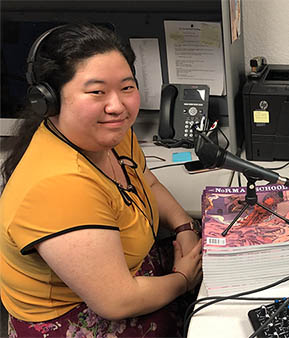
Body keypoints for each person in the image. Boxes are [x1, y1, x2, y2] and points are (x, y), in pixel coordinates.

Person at [0, 23, 204, 337]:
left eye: (127, 87)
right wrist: (184, 279)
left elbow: (145, 181)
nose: (117, 106)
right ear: (49, 100)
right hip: (82, 315)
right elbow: (117, 302)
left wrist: (184, 227)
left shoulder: (108, 134)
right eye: (97, 92)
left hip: (132, 275)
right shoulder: (59, 187)